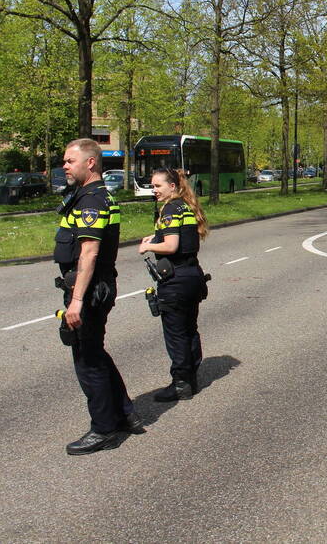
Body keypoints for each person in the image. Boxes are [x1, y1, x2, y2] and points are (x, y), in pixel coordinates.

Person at [54, 139, 141, 456]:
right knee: (94, 351)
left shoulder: (92, 200)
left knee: (87, 360)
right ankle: (125, 412)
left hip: (89, 289)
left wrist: (76, 301)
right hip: (93, 286)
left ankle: (105, 429)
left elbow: (89, 253)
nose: (64, 165)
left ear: (90, 163)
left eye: (69, 160)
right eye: (64, 160)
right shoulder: (88, 196)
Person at [139, 168, 210, 402]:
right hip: (192, 276)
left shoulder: (169, 209)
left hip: (176, 280)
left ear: (172, 186)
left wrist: (148, 246)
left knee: (176, 334)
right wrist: (155, 237)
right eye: (152, 186)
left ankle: (180, 384)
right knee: (189, 329)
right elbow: (182, 239)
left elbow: (171, 246)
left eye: (158, 185)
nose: (154, 190)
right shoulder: (185, 206)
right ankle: (191, 379)